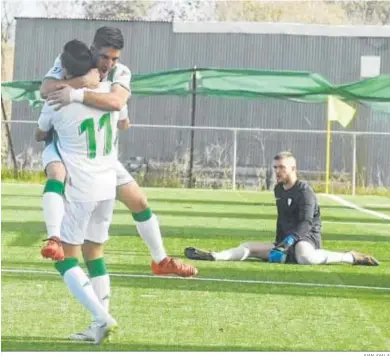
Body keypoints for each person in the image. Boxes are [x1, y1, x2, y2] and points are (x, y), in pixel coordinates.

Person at [39, 26, 197, 278]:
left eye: (115, 58)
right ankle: (55, 239)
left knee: (140, 202)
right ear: (92, 50)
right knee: (83, 245)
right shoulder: (70, 62)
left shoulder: (121, 72)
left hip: (104, 158)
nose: (109, 64)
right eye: (104, 57)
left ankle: (161, 260)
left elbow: (116, 102)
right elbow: (45, 88)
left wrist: (78, 92)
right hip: (75, 156)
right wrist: (82, 82)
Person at [36, 39, 122, 344]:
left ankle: (102, 317)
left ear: (65, 70)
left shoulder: (57, 99)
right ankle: (99, 327)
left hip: (81, 187)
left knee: (65, 258)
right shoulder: (109, 93)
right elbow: (122, 119)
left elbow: (40, 133)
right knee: (94, 253)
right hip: (108, 186)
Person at [184, 152, 379, 267]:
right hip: (285, 241)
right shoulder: (278, 189)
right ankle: (215, 256)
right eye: (275, 167)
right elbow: (282, 218)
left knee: (304, 255)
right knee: (248, 247)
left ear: (293, 169)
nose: (277, 171)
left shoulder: (305, 191)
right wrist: (279, 242)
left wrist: (289, 241)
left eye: (282, 167)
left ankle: (350, 256)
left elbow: (306, 223)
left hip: (305, 240)